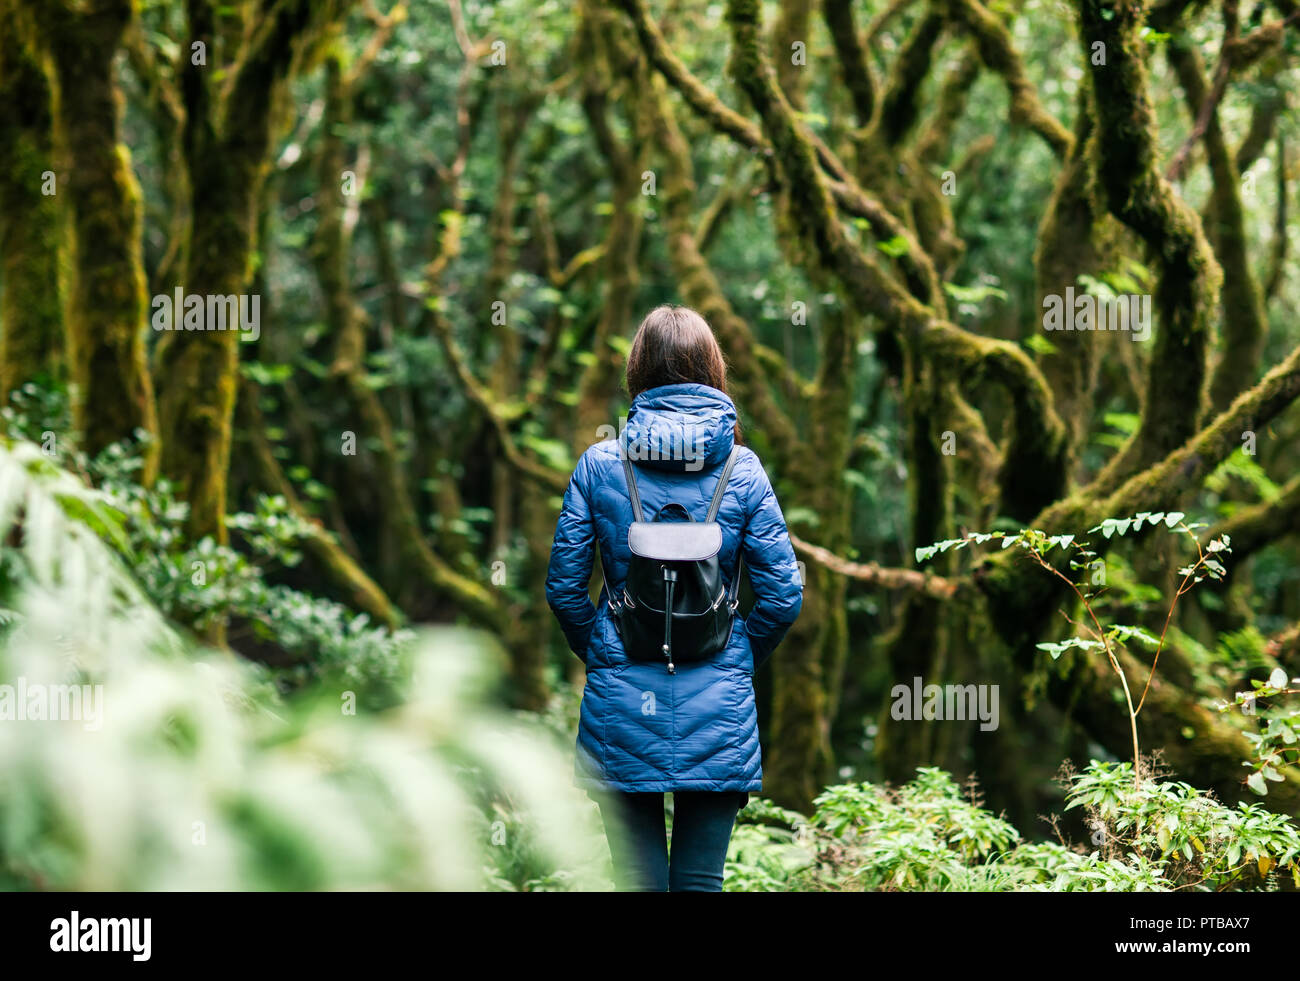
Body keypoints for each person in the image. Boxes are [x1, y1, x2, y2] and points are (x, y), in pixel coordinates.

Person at [546, 303, 803, 892]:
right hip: (720, 707)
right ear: (714, 368)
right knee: (699, 883)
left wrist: (606, 647)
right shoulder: (742, 469)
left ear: (637, 370)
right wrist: (736, 654)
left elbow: (564, 589)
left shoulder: (600, 463)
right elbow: (784, 594)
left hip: (622, 701)